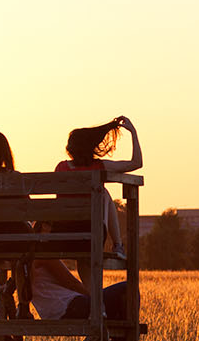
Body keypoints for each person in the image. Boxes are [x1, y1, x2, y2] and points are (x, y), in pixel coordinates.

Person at [54, 116, 142, 273]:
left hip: (63, 236)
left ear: (71, 148)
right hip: (91, 236)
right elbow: (136, 163)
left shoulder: (60, 168)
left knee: (84, 266)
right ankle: (118, 246)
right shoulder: (98, 167)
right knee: (104, 193)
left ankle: (91, 297)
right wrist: (133, 132)